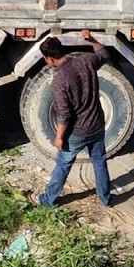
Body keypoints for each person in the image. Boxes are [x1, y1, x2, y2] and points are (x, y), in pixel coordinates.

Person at [28, 31, 114, 209]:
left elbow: (64, 115)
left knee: (63, 164)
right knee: (99, 161)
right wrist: (91, 40)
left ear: (50, 59)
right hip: (97, 125)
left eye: (45, 59)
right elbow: (104, 54)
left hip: (77, 131)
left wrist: (59, 137)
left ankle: (47, 200)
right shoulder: (86, 61)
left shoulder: (59, 81)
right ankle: (105, 200)